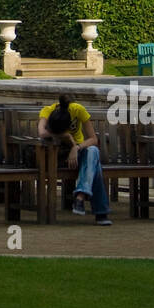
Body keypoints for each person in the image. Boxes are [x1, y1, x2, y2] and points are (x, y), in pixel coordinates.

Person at [38, 94, 111, 224]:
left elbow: (94, 139)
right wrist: (66, 136)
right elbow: (42, 133)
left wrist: (76, 147)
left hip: (79, 154)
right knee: (95, 165)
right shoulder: (47, 110)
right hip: (57, 155)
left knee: (93, 151)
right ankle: (100, 213)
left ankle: (81, 195)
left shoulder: (78, 110)